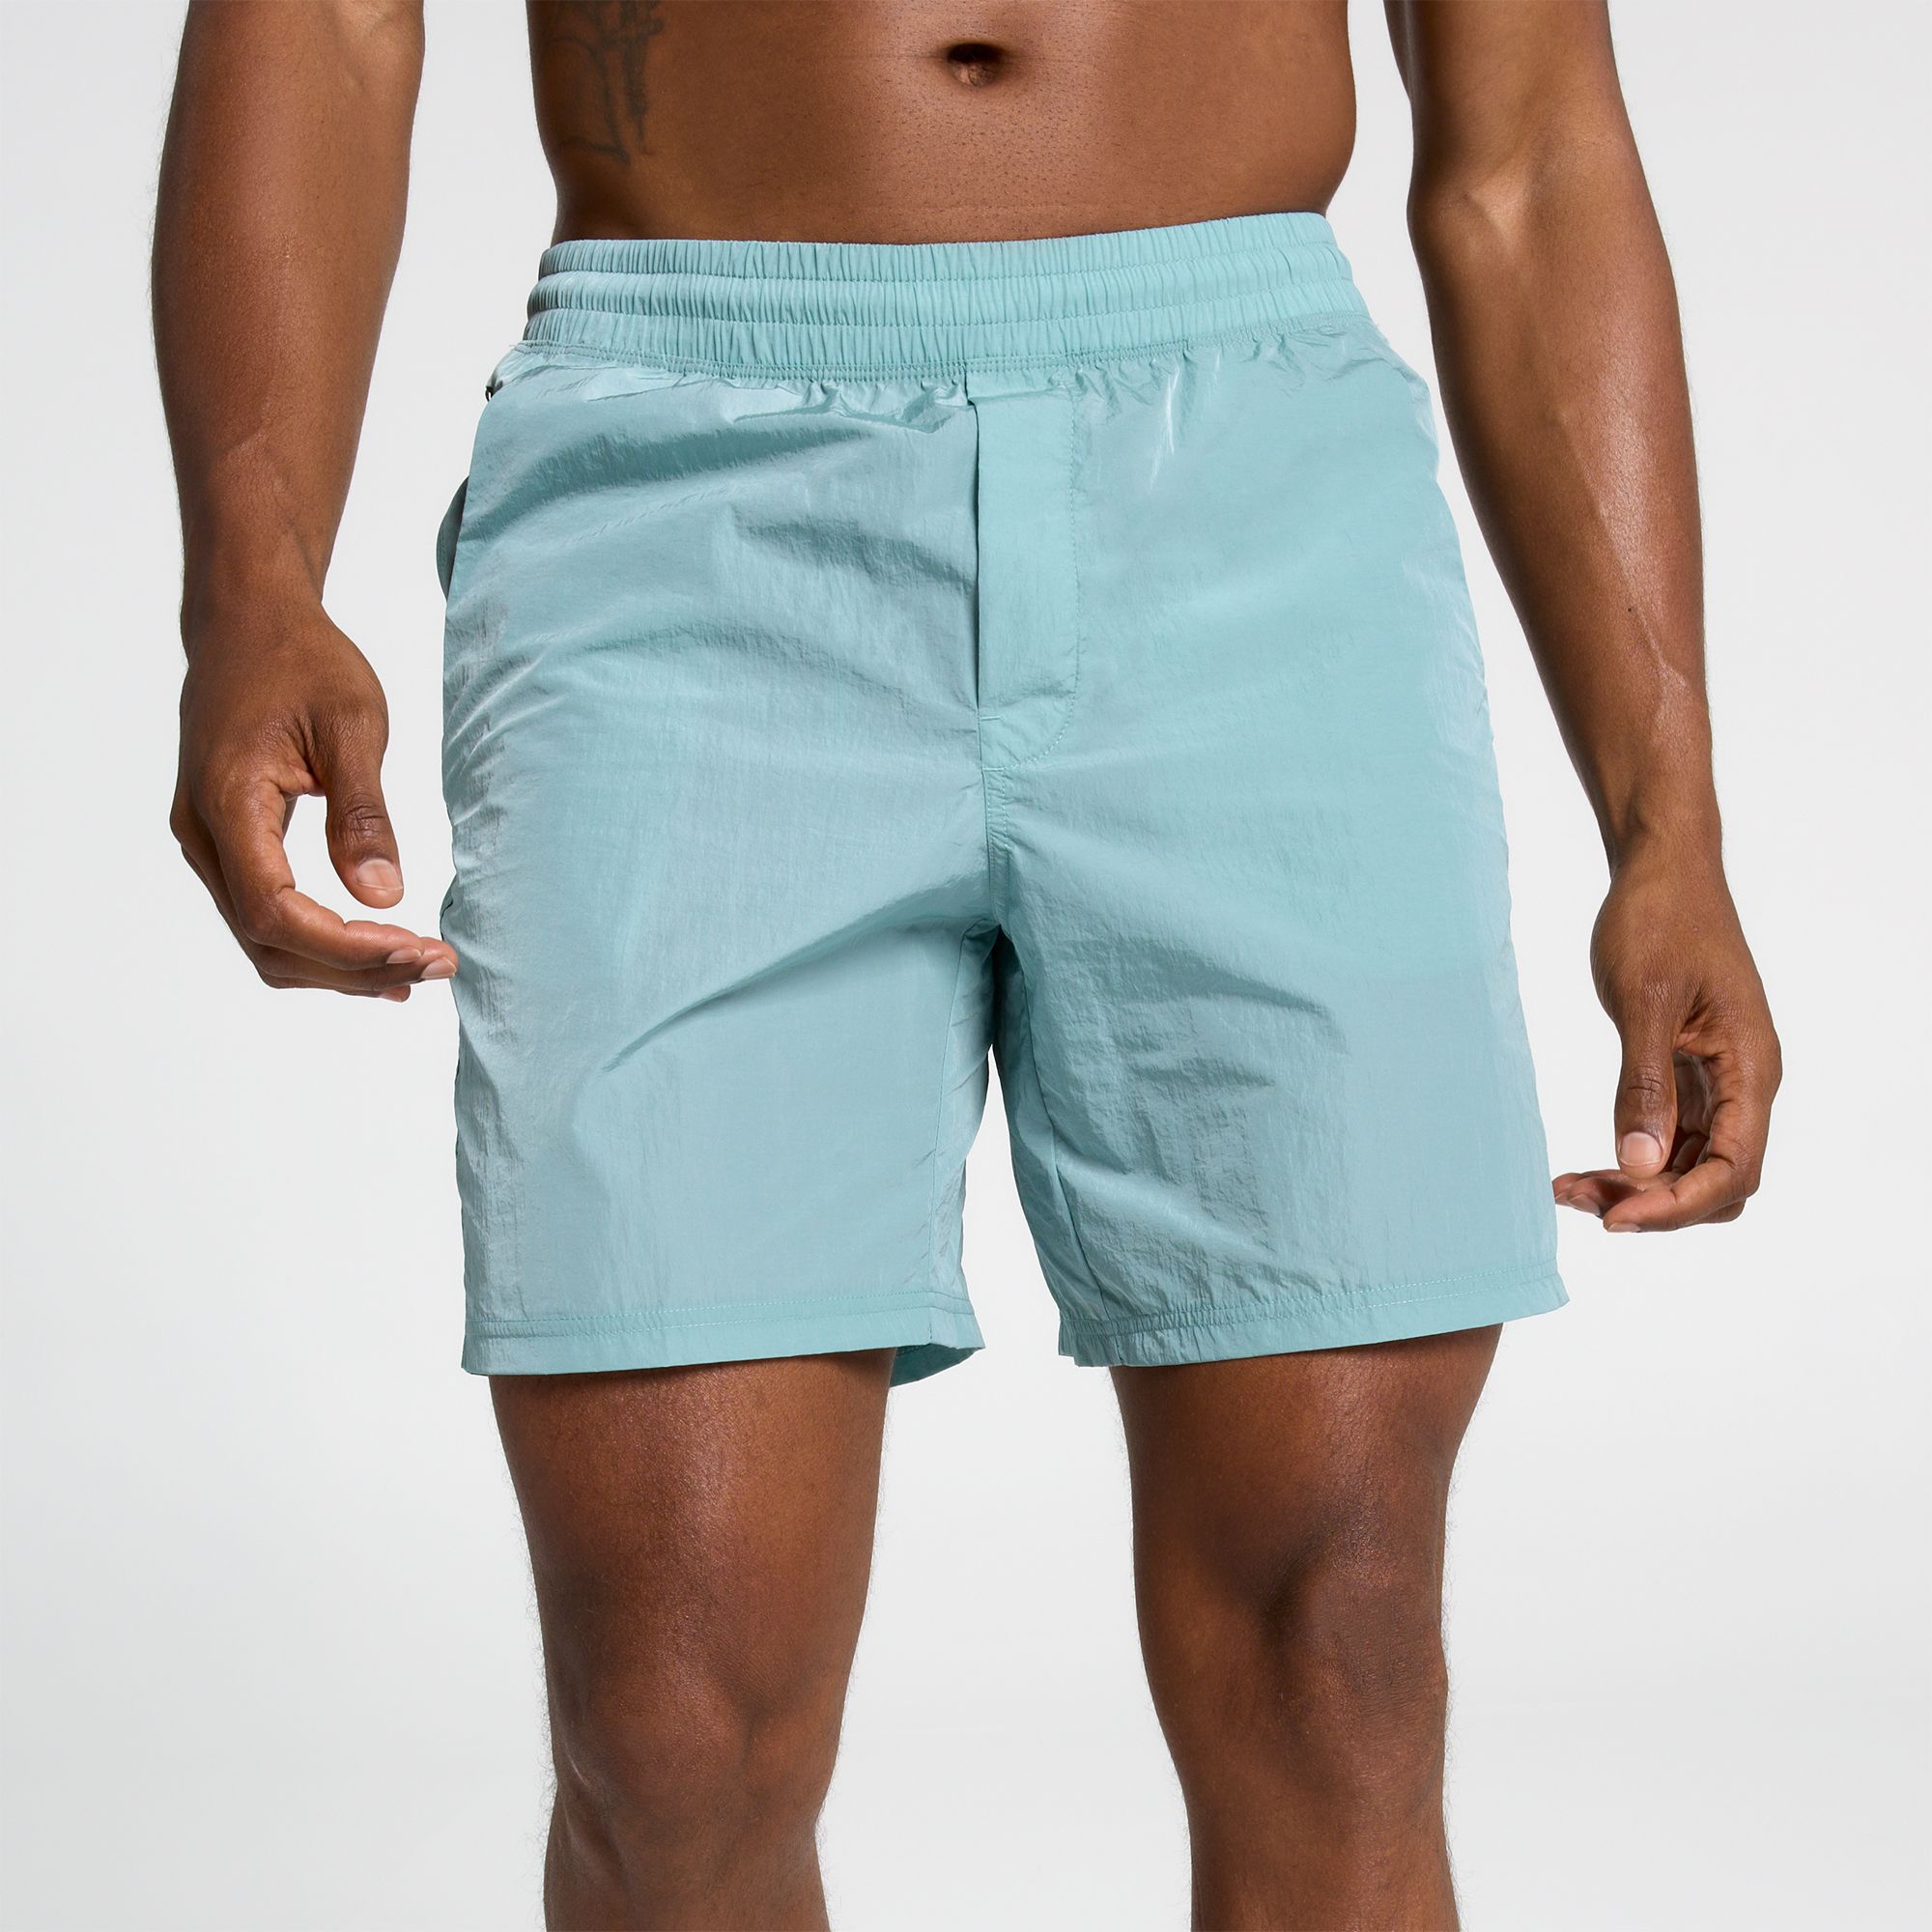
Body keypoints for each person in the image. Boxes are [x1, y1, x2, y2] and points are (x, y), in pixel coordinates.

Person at [153, 3, 1781, 1925]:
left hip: (1258, 509)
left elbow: (1527, 152)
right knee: (671, 1728)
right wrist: (249, 584)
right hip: (682, 503)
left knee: (1336, 1655)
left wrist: (1668, 820)